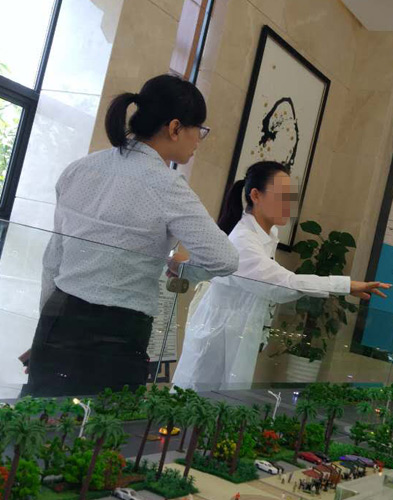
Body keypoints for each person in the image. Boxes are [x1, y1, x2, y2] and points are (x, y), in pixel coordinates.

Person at [21, 75, 239, 397]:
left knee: (41, 419)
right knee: (105, 426)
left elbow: (53, 258)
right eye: (200, 130)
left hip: (59, 319)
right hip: (117, 334)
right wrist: (181, 268)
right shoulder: (166, 185)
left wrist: (44, 332)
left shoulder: (79, 169)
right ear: (175, 128)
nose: (198, 140)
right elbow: (225, 259)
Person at [172, 161, 390, 391]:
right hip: (218, 339)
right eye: (282, 196)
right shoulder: (243, 241)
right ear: (256, 195)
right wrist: (346, 285)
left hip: (236, 334)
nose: (289, 205)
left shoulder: (267, 234)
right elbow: (284, 284)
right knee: (197, 402)